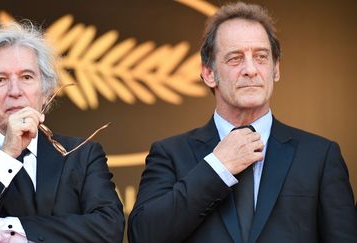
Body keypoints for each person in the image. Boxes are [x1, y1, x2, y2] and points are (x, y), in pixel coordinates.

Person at [128, 2, 357, 243]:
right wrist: (217, 168)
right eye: (235, 59)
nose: (250, 69)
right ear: (208, 73)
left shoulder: (320, 156)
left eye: (261, 57)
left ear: (276, 69)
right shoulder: (170, 154)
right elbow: (143, 235)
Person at [0, 22, 124, 243]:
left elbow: (109, 229)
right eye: (0, 79)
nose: (15, 91)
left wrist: (6, 228)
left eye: (27, 77)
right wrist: (6, 155)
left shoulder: (83, 155)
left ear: (47, 91)